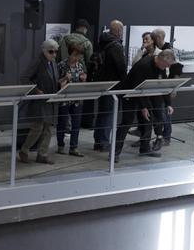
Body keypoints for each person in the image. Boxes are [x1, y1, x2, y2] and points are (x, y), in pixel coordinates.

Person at [113, 49, 177, 161]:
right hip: (130, 93)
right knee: (127, 122)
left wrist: (168, 104)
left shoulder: (161, 68)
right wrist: (143, 107)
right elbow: (137, 87)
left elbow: (163, 86)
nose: (167, 67)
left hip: (144, 94)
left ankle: (145, 149)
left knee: (148, 121)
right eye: (167, 65)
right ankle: (115, 153)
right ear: (161, 60)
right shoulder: (144, 65)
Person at [19, 39, 64, 165]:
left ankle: (42, 154)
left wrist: (62, 82)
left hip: (50, 100)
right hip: (40, 101)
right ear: (44, 51)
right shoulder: (38, 62)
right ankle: (24, 150)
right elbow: (24, 78)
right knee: (37, 128)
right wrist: (36, 90)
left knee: (48, 128)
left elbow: (54, 80)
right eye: (51, 52)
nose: (54, 54)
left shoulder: (53, 62)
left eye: (56, 51)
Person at [92, 20, 126, 152]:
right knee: (109, 114)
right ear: (118, 31)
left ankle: (98, 141)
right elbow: (121, 67)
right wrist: (125, 83)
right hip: (113, 84)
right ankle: (104, 142)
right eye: (121, 30)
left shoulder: (102, 42)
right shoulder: (116, 46)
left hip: (101, 82)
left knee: (102, 113)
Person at [56, 42, 87, 157]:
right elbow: (56, 82)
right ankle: (60, 145)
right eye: (75, 55)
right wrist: (65, 78)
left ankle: (74, 147)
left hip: (77, 99)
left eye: (79, 55)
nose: (77, 58)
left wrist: (84, 79)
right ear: (70, 54)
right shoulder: (62, 65)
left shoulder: (80, 66)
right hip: (64, 99)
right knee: (62, 123)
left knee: (76, 123)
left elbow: (83, 83)